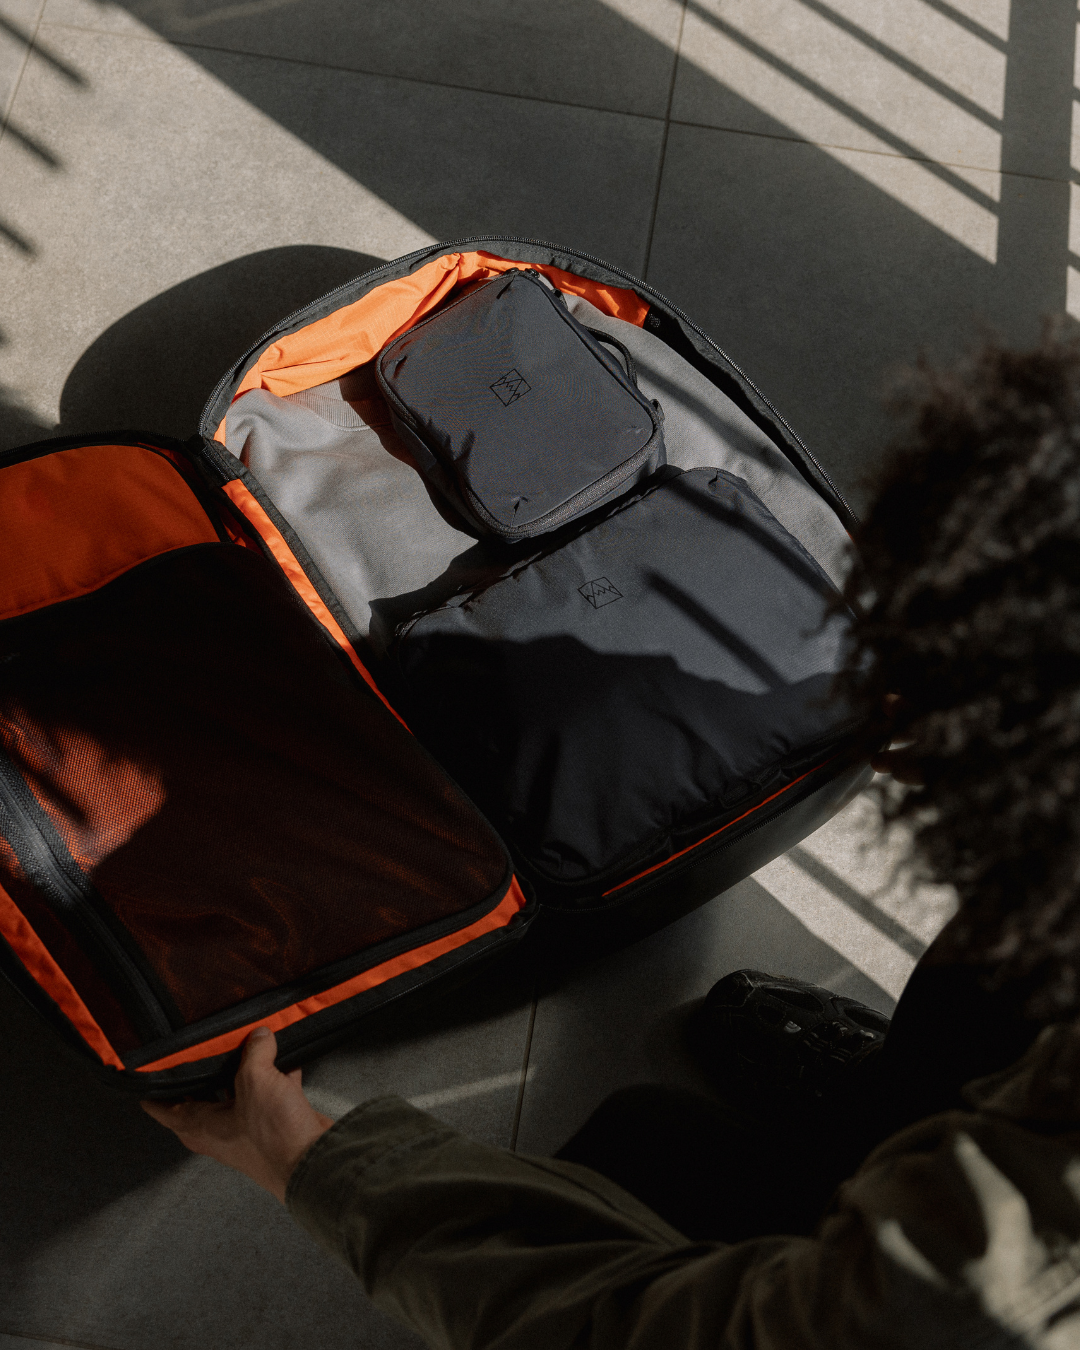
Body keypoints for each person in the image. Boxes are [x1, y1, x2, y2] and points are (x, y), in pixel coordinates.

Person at [143, 329, 1080, 1348]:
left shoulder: (1002, 1279)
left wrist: (306, 1162)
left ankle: (900, 1128)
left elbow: (642, 1332)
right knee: (984, 993)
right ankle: (902, 1109)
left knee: (636, 1155)